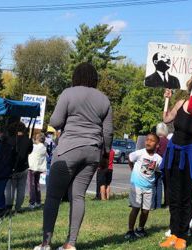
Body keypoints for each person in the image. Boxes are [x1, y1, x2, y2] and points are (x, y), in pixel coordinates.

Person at [34, 62, 113, 250]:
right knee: (78, 197)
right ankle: (70, 244)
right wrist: (105, 154)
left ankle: (46, 243)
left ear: (75, 77)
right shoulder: (104, 99)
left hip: (69, 149)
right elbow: (108, 132)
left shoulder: (68, 93)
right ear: (94, 78)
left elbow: (56, 121)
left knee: (53, 197)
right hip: (93, 151)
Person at [159, 77, 192, 250]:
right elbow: (166, 119)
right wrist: (167, 99)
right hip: (173, 154)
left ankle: (182, 236)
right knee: (173, 196)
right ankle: (174, 234)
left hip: (189, 155)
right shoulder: (181, 103)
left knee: (185, 197)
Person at [125, 133, 162, 240]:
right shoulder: (140, 153)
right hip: (136, 185)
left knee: (146, 210)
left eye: (152, 140)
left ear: (157, 145)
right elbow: (130, 159)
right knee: (135, 208)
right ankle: (130, 230)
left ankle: (140, 229)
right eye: (147, 140)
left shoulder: (158, 158)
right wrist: (132, 169)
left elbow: (159, 170)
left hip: (149, 187)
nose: (148, 142)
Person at [5, 122, 33, 212]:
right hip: (24, 167)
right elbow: (30, 151)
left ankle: (9, 207)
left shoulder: (9, 140)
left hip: (11, 167)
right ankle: (18, 207)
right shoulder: (28, 140)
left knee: (10, 189)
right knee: (21, 189)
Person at [28, 133, 47, 209]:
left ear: (38, 139)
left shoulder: (34, 147)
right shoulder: (44, 147)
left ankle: (32, 202)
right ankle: (38, 201)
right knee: (37, 184)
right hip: (39, 168)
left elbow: (30, 147)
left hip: (32, 167)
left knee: (31, 185)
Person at [156, 122, 169, 208]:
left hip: (157, 165)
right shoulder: (169, 141)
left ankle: (156, 203)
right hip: (167, 165)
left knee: (157, 184)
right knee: (167, 185)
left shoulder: (157, 141)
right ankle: (167, 203)